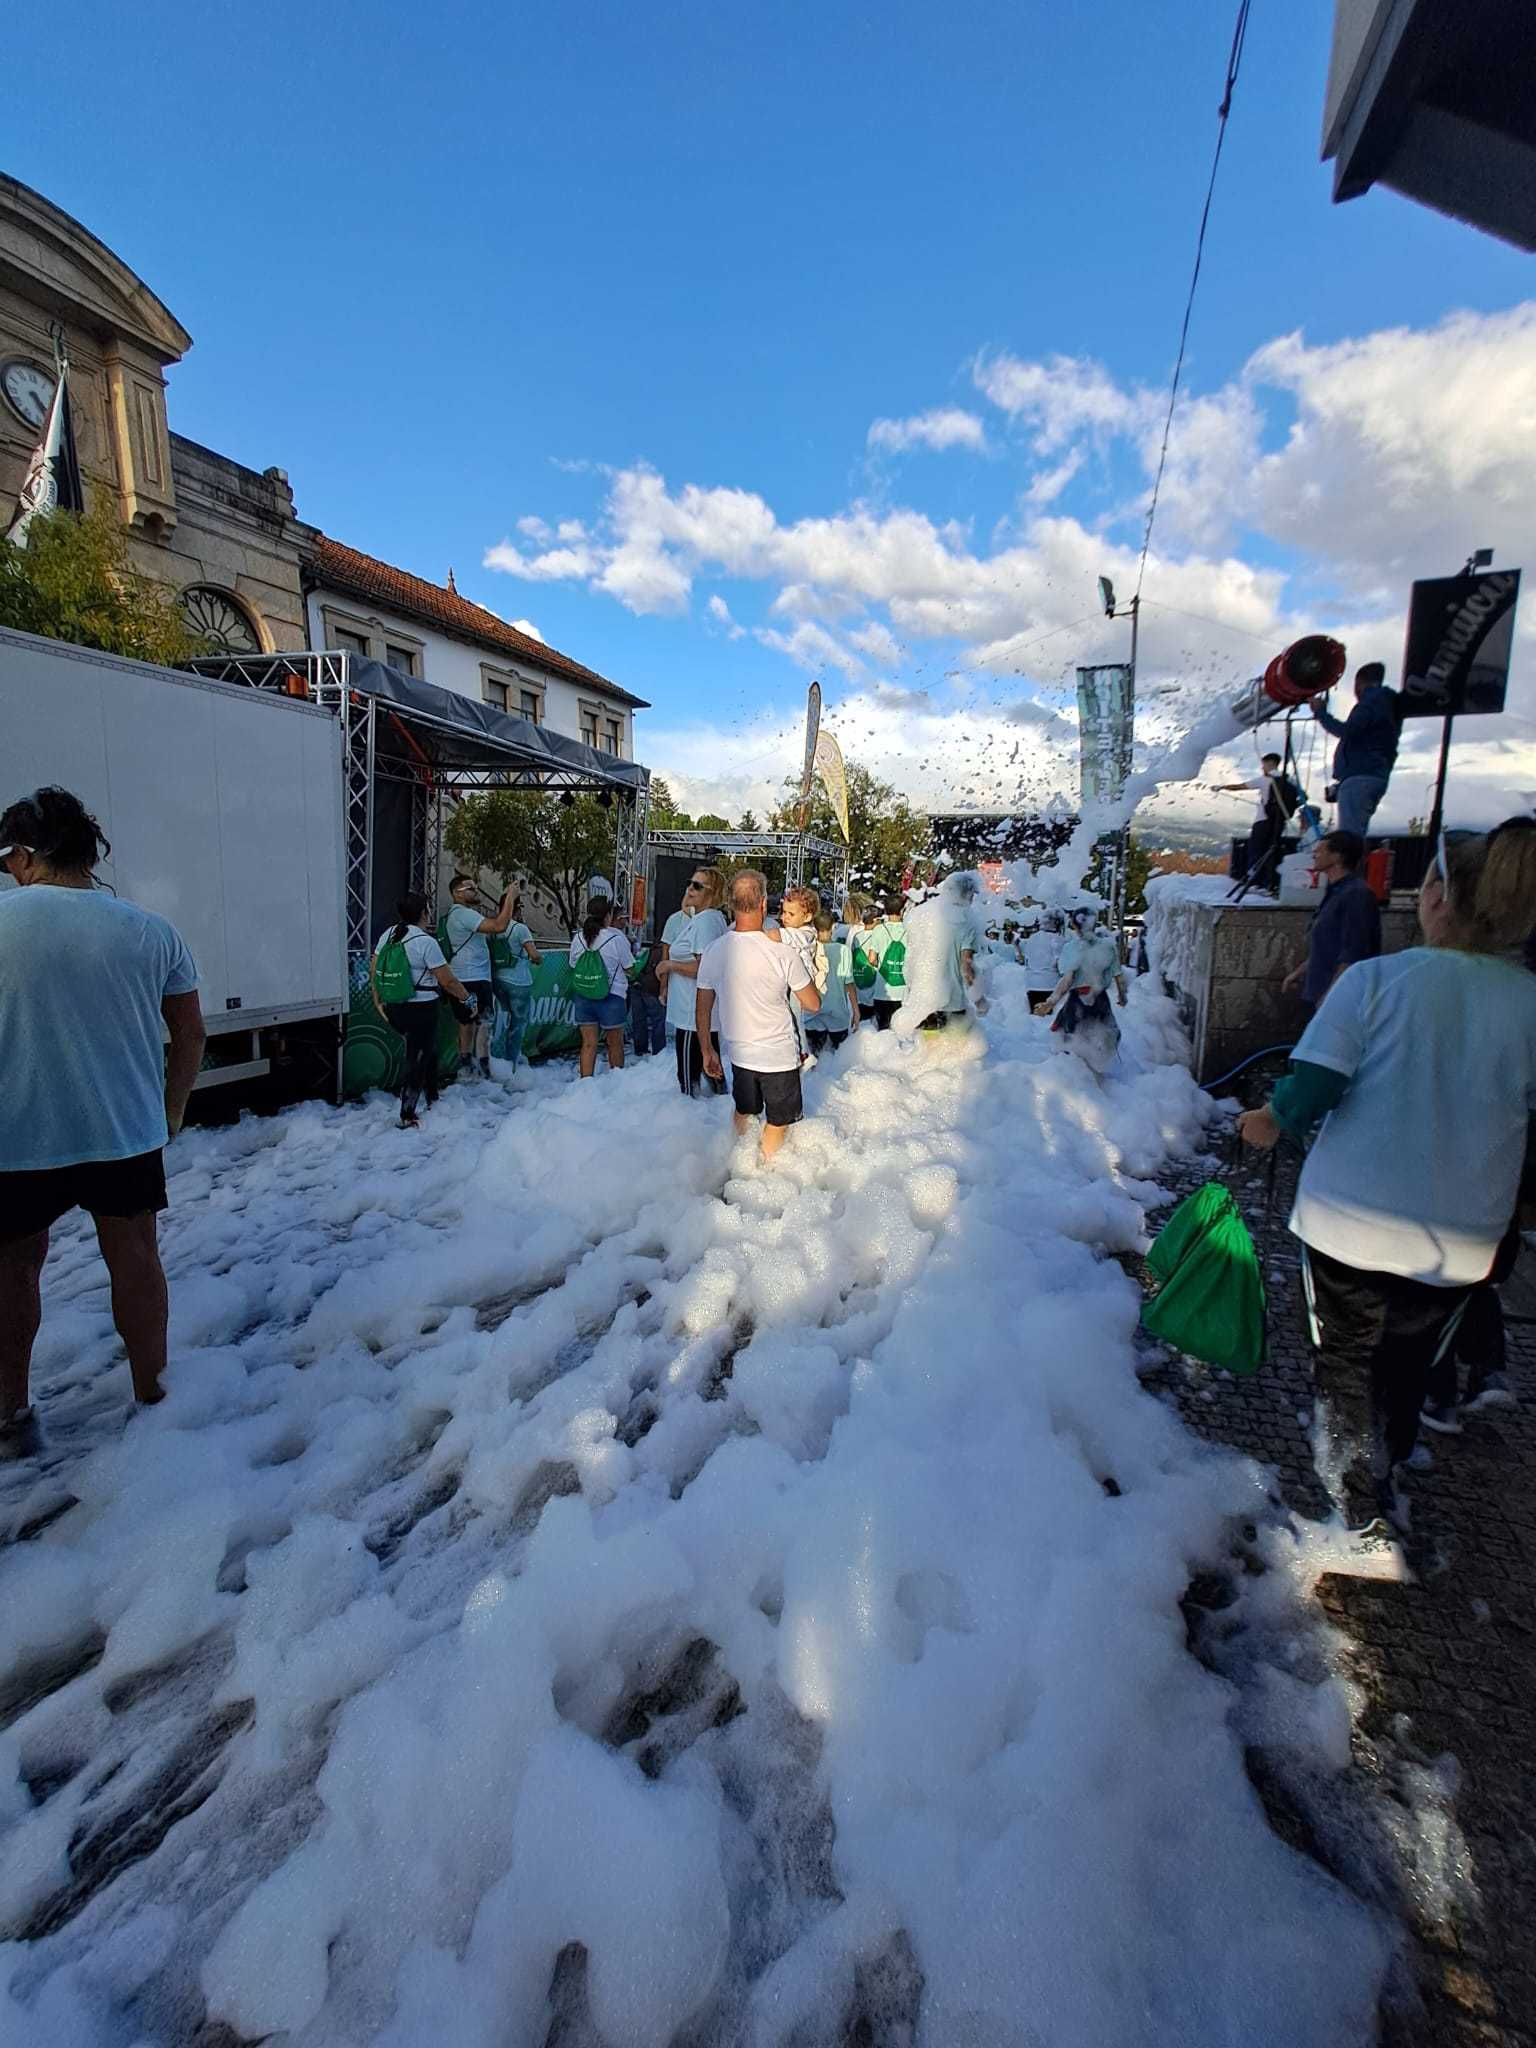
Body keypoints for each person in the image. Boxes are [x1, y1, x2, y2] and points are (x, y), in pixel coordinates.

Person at [1238, 818, 1536, 1552]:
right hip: (1462, 1240)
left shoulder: (1376, 982)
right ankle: (1392, 1466)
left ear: (1436, 896)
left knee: (1343, 1360)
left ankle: (1355, 1497)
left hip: (1350, 1224)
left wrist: (1262, 1124)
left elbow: (1309, 1093)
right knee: (1407, 1363)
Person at [1, 786, 207, 1450]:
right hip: (122, 1131)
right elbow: (190, 1034)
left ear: (28, 856)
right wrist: (169, 1111)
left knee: (14, 1269)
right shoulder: (149, 930)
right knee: (136, 1259)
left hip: (16, 1136)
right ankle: (153, 1395)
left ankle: (11, 1414)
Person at [696, 871, 820, 1160]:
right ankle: (764, 1172)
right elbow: (813, 1004)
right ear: (763, 904)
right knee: (777, 1121)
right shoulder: (782, 952)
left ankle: (738, 1161)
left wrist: (706, 1050)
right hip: (779, 1056)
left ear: (731, 904)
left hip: (740, 1054)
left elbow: (702, 1007)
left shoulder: (715, 950)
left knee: (743, 1110)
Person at [372, 893, 473, 1128]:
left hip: (394, 1005)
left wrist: (377, 1000)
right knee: (416, 1058)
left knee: (429, 1050)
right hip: (421, 1008)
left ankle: (432, 1096)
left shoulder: (389, 935)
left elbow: (375, 968)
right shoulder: (426, 942)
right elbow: (447, 981)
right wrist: (468, 999)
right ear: (424, 913)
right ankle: (407, 1114)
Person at [1281, 831, 1381, 1008]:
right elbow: (1328, 944)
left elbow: (1353, 953)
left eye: (1320, 851)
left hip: (1338, 1001)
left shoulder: (1356, 894)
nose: (1314, 855)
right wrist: (1302, 970)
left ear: (1337, 856)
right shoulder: (1336, 891)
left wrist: (1330, 998)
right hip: (1321, 992)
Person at [657, 866, 728, 1097]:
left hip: (692, 1016)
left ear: (712, 893)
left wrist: (670, 965)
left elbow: (705, 969)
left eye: (697, 886)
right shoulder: (708, 919)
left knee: (689, 1085)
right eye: (690, 883)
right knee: (712, 1076)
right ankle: (727, 1122)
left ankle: (698, 1128)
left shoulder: (706, 922)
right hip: (698, 1015)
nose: (690, 888)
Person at [1311, 661, 1403, 839]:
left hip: (1360, 777)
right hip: (1373, 775)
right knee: (1354, 836)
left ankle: (1350, 867)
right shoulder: (1387, 705)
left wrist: (1321, 713)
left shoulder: (1371, 702)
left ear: (1359, 682)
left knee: (1349, 840)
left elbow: (1347, 731)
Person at [443, 874, 520, 1079]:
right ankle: (483, 1071)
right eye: (471, 888)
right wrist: (510, 897)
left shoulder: (456, 915)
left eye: (476, 888)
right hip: (474, 978)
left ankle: (468, 1068)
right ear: (456, 893)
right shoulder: (464, 915)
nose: (476, 891)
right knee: (484, 1023)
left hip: (463, 977)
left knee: (466, 1024)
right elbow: (499, 926)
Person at [1042, 910, 1128, 1069]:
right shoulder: (1108, 947)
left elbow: (1067, 980)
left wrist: (1052, 1001)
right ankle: (1098, 1071)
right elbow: (1119, 976)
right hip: (1101, 1000)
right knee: (1109, 1034)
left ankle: (1077, 1074)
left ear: (1075, 925)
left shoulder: (1072, 948)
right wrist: (1123, 996)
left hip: (1077, 1002)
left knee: (1070, 1038)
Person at [569, 896, 634, 1079]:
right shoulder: (616, 938)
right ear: (608, 916)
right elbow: (630, 968)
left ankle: (585, 1086)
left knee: (588, 1044)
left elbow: (573, 965)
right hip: (612, 997)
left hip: (583, 996)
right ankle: (616, 1084)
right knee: (615, 1044)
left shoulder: (578, 938)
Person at [913, 871, 986, 1031]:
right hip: (952, 1001)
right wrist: (979, 1000)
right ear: (965, 894)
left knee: (927, 1052)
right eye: (972, 895)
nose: (973, 899)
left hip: (924, 1000)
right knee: (952, 1052)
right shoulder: (968, 923)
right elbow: (966, 967)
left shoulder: (926, 916)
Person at [1218, 752, 1296, 894]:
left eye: (1264, 764)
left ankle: (1254, 882)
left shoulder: (1265, 780)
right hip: (1278, 822)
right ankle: (1269, 883)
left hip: (1262, 821)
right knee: (1271, 851)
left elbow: (1241, 786)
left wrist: (1221, 787)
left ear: (1270, 763)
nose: (1262, 768)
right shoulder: (1289, 781)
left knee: (1256, 850)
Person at [492, 889, 542, 1072]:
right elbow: (534, 955)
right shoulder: (520, 929)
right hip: (518, 982)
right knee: (518, 1023)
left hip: (497, 980)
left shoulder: (494, 927)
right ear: (517, 907)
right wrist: (538, 959)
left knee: (498, 1019)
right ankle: (510, 1063)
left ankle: (493, 1059)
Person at [806, 908, 859, 1053]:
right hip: (838, 1014)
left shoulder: (808, 950)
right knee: (836, 1064)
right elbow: (849, 983)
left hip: (811, 1016)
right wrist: (856, 1010)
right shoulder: (843, 951)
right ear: (833, 927)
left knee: (814, 1065)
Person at [862, 897, 908, 1030]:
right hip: (903, 992)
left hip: (883, 990)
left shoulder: (879, 930)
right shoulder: (909, 929)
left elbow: (871, 959)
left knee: (883, 1033)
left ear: (886, 911)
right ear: (902, 910)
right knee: (902, 1033)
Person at [625, 922, 667, 1056]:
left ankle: (640, 1049)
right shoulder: (664, 952)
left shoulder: (649, 950)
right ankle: (659, 1051)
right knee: (658, 1020)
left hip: (637, 985)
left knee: (639, 1020)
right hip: (651, 989)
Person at [1020, 914, 1063, 1007]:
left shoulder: (1032, 938)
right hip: (1050, 984)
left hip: (1031, 984)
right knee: (1047, 1018)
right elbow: (1061, 965)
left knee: (1035, 1017)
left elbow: (1026, 960)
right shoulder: (1057, 940)